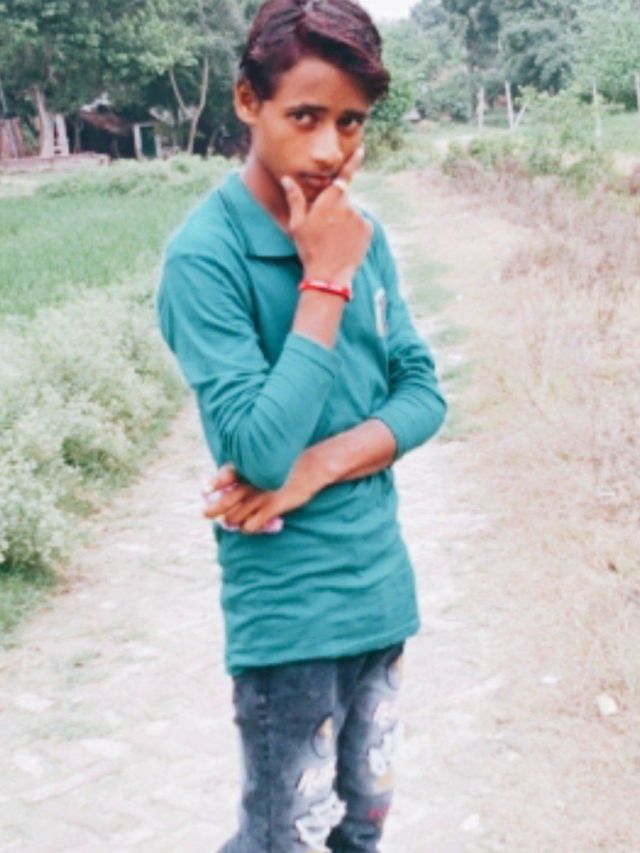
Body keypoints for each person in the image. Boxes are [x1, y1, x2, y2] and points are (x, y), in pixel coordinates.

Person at [156, 1, 447, 849]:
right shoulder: (206, 256)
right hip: (289, 618)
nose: (330, 150)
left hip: (380, 594)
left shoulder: (361, 234)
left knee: (362, 827)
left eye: (351, 123)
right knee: (284, 837)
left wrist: (318, 466)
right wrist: (322, 281)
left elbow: (422, 392)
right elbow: (258, 448)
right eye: (306, 117)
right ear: (248, 102)